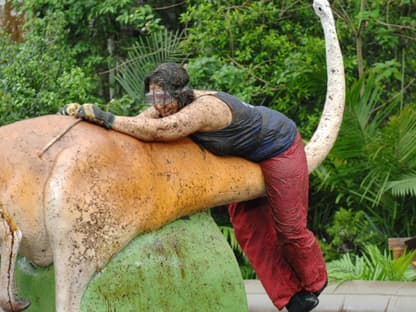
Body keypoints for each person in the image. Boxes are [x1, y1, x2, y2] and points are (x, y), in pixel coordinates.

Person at [62, 62, 327, 312]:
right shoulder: (168, 105)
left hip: (279, 145)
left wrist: (106, 117)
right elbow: (141, 124)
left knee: (289, 227)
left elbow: (161, 131)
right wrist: (92, 121)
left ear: (181, 94)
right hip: (243, 157)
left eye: (162, 98)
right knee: (248, 230)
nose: (157, 105)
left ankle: (315, 281)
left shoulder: (203, 109)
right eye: (152, 98)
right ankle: (292, 298)